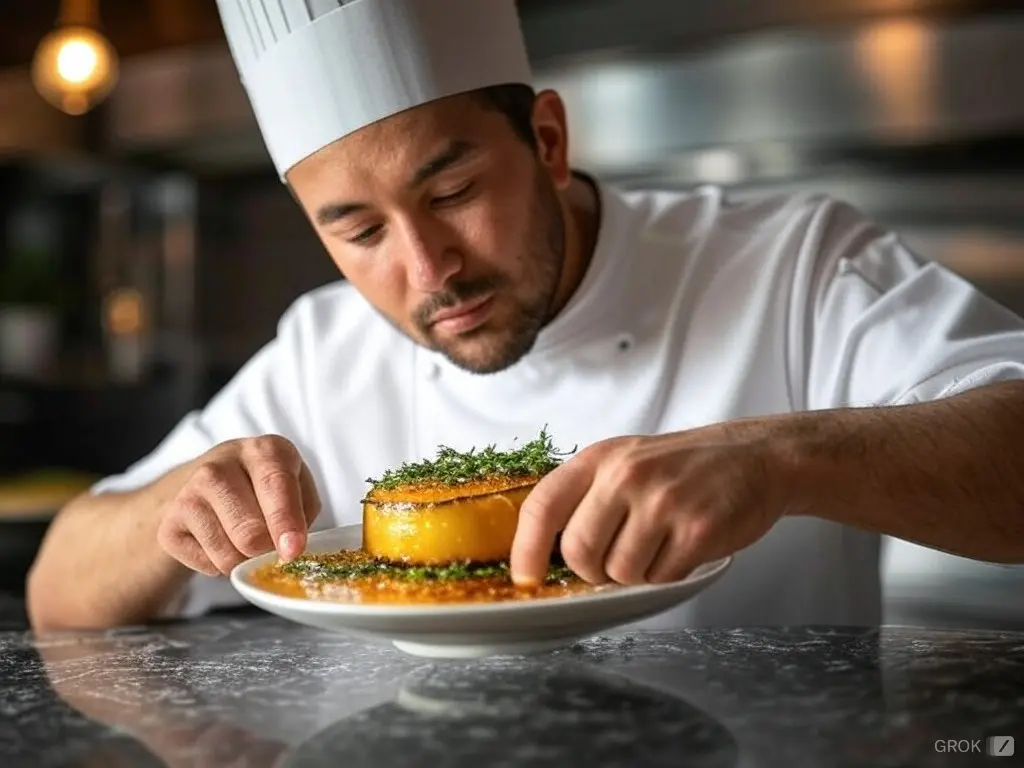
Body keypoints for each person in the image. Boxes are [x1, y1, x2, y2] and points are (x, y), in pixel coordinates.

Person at [27, 0, 1024, 632]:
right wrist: (169, 514)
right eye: (359, 231)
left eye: (452, 191)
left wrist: (781, 460)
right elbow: (57, 585)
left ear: (546, 139)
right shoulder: (324, 348)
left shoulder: (791, 263)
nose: (428, 270)